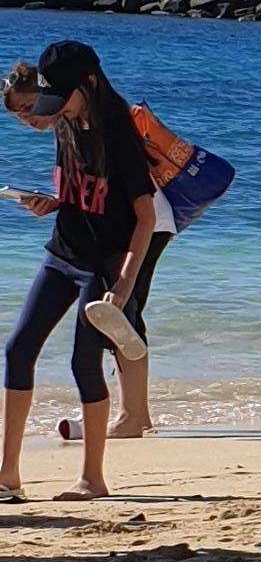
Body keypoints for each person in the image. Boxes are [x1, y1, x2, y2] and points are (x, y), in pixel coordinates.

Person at [1, 40, 156, 502]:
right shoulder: (66, 122)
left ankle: (93, 478)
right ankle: (8, 474)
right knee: (17, 349)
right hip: (61, 253)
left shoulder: (120, 134)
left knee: (82, 363)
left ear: (88, 83)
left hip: (102, 267)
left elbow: (145, 217)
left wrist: (124, 285)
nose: (49, 108)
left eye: (57, 96)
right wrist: (47, 204)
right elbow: (80, 194)